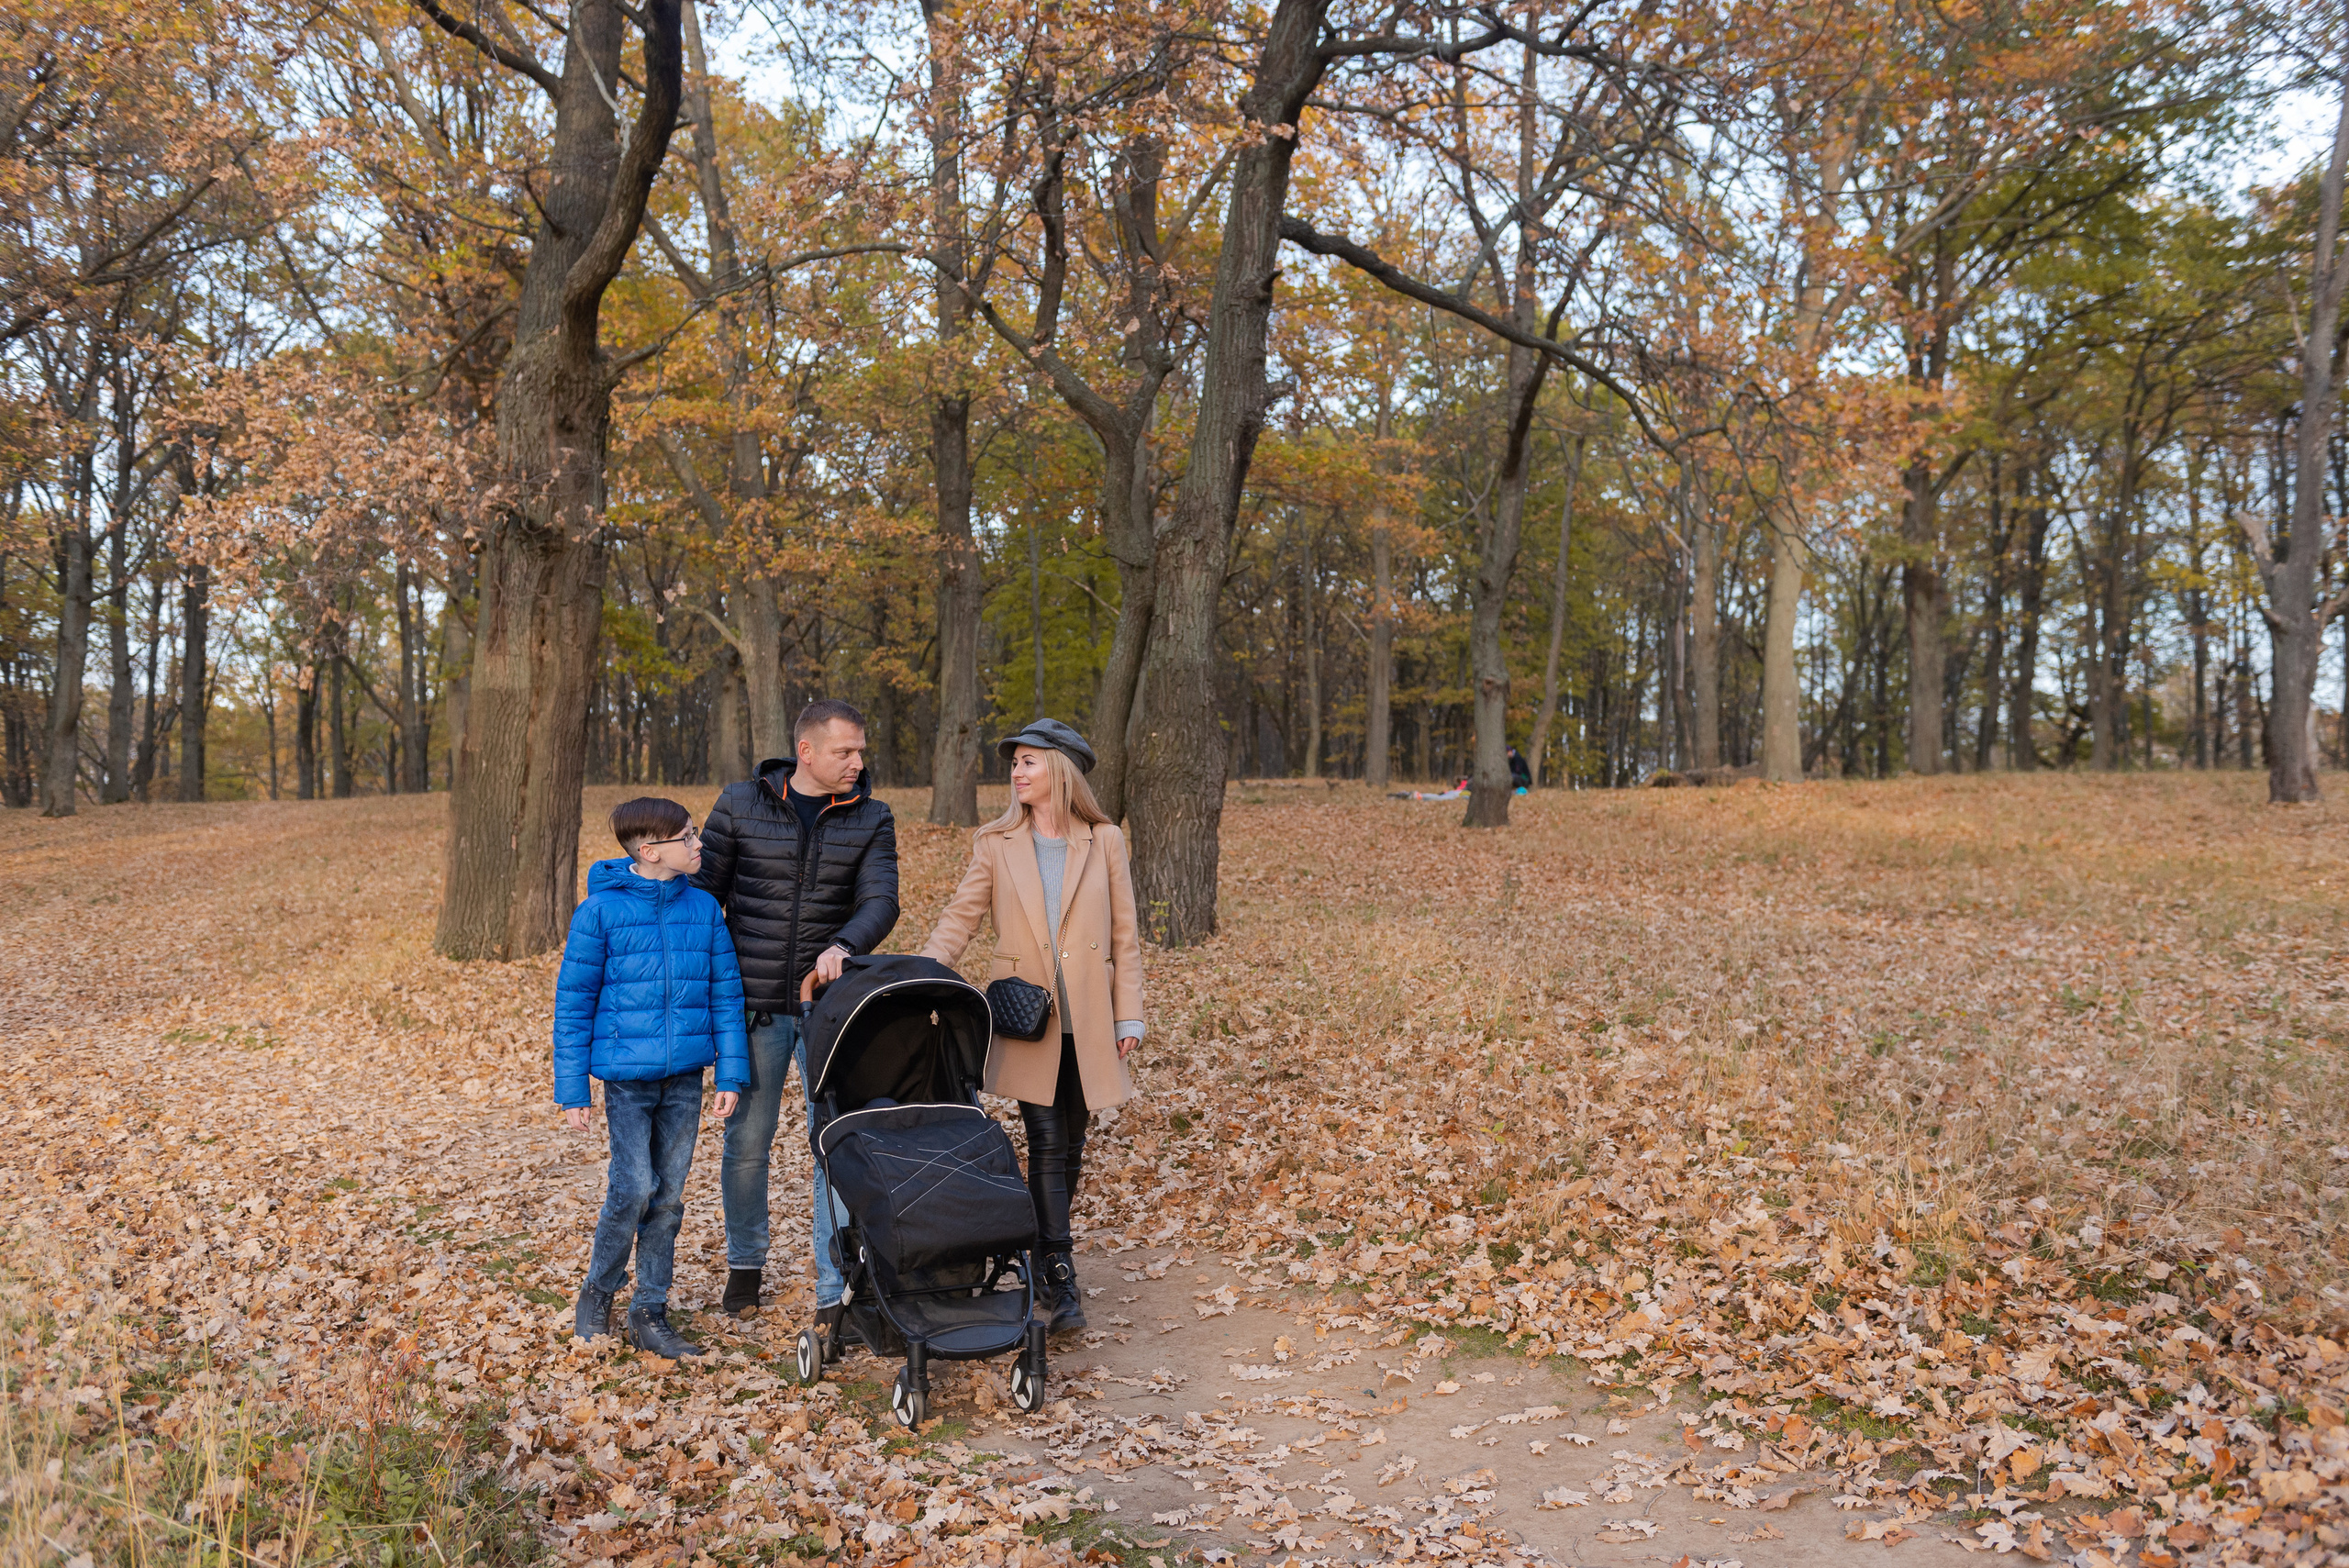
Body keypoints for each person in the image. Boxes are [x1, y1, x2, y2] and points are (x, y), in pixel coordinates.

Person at [918, 718, 1144, 1334]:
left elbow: (1124, 933)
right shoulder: (996, 842)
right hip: (1026, 1017)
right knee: (1046, 1139)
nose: (1016, 772)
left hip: (1091, 1017)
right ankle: (1060, 1270)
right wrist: (919, 974)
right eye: (1014, 762)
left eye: (1027, 762)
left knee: (1072, 1142)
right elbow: (960, 916)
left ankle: (1044, 1250)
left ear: (1061, 770)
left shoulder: (1105, 841)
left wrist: (1130, 1012)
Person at [696, 699, 899, 1336]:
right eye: (846, 751)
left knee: (833, 1144)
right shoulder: (739, 804)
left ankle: (835, 1284)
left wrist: (844, 945)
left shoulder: (871, 816)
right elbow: (704, 896)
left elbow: (881, 898)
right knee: (747, 1145)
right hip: (751, 1007)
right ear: (807, 752)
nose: (858, 762)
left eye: (861, 750)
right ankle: (745, 1265)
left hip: (828, 1008)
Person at [554, 797, 748, 1359]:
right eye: (689, 838)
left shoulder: (705, 909)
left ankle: (650, 1311)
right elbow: (573, 1004)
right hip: (627, 1081)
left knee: (668, 1198)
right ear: (650, 849)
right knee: (634, 1187)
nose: (699, 845)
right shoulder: (599, 913)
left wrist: (730, 1074)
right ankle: (599, 1291)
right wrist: (573, 1089)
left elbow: (725, 995)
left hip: (684, 1080)